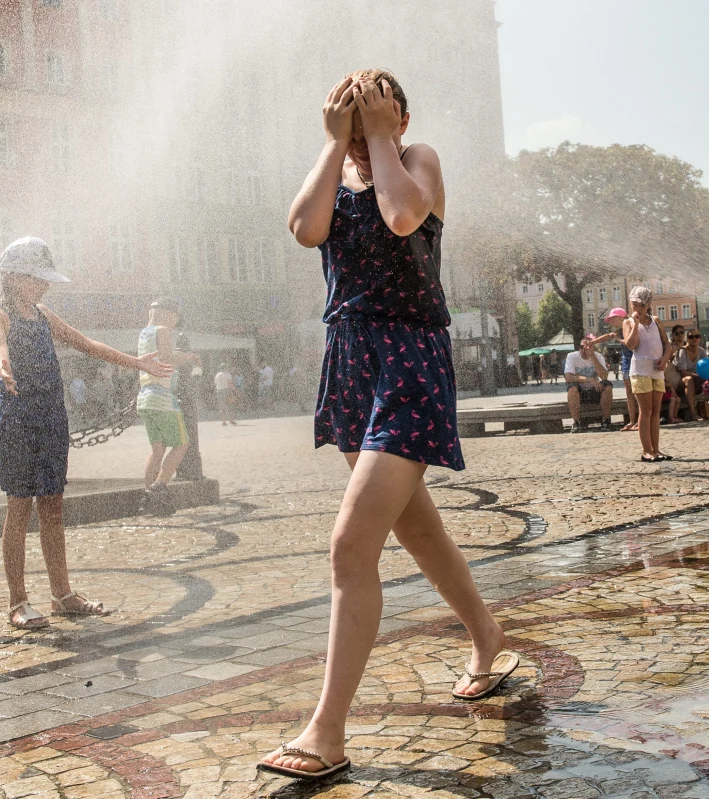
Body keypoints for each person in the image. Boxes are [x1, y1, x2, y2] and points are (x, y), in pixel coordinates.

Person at [260, 69, 511, 781]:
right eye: (352, 112)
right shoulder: (337, 175)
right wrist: (335, 144)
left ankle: (326, 731)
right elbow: (305, 229)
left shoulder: (418, 159)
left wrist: (377, 137)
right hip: (350, 363)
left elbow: (402, 217)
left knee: (351, 545)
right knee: (417, 528)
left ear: (401, 119)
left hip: (408, 360)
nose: (363, 126)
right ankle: (487, 635)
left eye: (377, 111)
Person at [0, 237, 173, 630]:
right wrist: (3, 367)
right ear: (13, 277)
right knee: (19, 509)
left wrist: (135, 362)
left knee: (52, 507)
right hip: (17, 422)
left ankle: (62, 594)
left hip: (51, 419)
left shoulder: (44, 315)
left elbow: (87, 345)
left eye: (45, 280)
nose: (43, 286)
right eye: (37, 279)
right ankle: (18, 602)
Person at [138, 299, 200, 495]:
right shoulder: (163, 330)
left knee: (157, 450)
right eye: (176, 318)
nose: (175, 323)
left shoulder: (144, 333)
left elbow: (159, 356)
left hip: (145, 398)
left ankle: (147, 492)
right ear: (168, 314)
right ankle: (160, 487)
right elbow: (167, 360)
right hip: (162, 398)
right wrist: (189, 357)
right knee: (182, 444)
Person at [622, 286, 672, 461]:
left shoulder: (656, 321)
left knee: (656, 411)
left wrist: (665, 359)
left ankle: (656, 449)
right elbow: (631, 345)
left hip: (657, 371)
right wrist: (636, 324)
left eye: (642, 305)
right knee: (646, 411)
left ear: (649, 305)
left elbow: (667, 344)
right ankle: (646, 450)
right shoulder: (628, 322)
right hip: (640, 371)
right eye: (635, 304)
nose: (638, 308)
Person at [593, 307, 637, 431]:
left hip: (636, 362)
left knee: (638, 393)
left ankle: (640, 420)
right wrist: (593, 342)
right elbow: (607, 336)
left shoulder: (631, 326)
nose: (611, 322)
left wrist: (617, 339)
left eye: (613, 319)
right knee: (629, 393)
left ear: (621, 317)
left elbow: (629, 343)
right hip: (626, 363)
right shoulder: (619, 330)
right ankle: (632, 421)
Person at [564, 335, 615, 432]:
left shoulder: (598, 356)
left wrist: (592, 357)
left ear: (593, 347)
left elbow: (604, 376)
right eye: (582, 347)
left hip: (594, 391)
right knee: (572, 388)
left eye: (588, 347)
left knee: (607, 386)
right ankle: (576, 422)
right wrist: (589, 379)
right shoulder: (572, 356)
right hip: (579, 393)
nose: (584, 349)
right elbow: (568, 377)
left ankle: (606, 421)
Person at [674, 329, 709, 422]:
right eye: (691, 337)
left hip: (697, 380)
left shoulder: (701, 351)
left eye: (697, 336)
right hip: (680, 382)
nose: (694, 339)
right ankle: (693, 414)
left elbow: (707, 368)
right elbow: (683, 372)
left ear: (700, 338)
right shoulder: (682, 351)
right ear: (687, 339)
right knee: (689, 379)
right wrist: (699, 376)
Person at [662, 325, 686, 424]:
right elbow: (665, 362)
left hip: (681, 377)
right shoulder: (672, 347)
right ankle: (672, 417)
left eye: (682, 332)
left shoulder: (686, 346)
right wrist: (672, 357)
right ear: (673, 335)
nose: (680, 335)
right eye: (677, 333)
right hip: (672, 378)